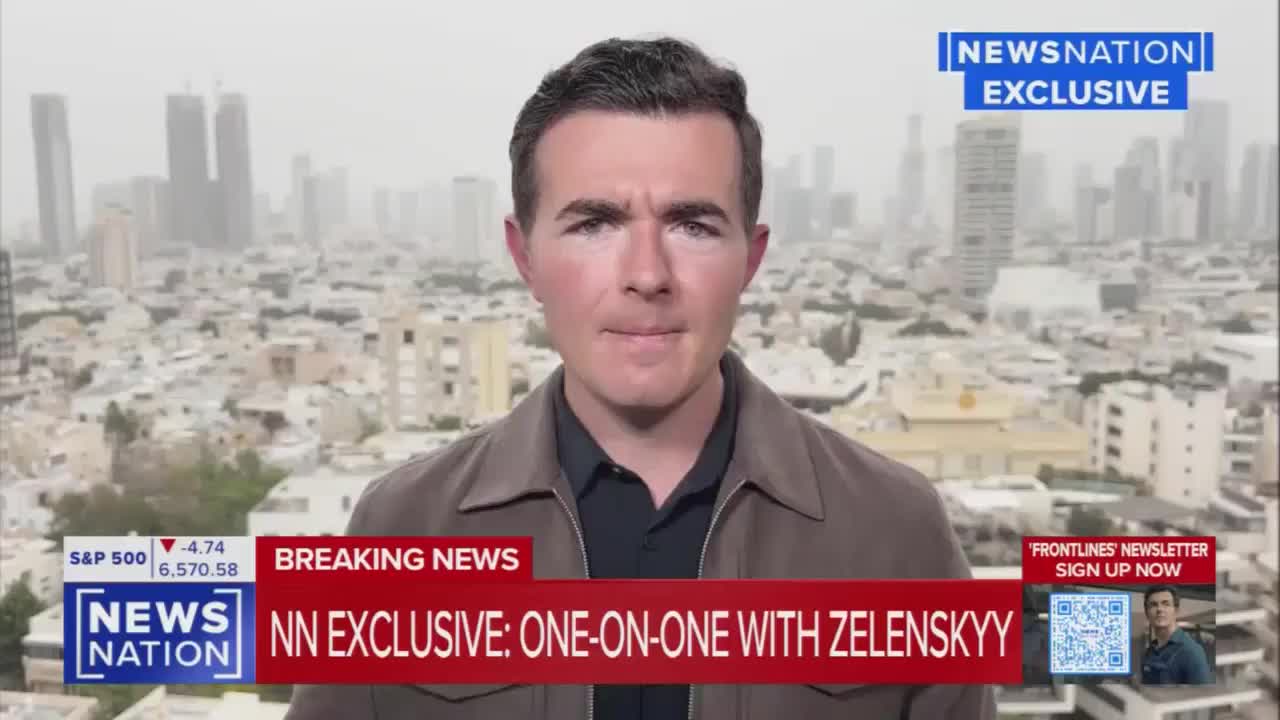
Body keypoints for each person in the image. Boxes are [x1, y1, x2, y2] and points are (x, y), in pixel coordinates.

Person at [285, 36, 993, 720]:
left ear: (751, 258)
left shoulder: (894, 532)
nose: (648, 274)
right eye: (595, 223)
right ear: (524, 257)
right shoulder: (404, 529)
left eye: (693, 226)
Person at [1137, 585, 1213, 685]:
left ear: (1176, 611)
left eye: (1166, 604)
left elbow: (1202, 693)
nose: (1159, 609)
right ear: (1147, 613)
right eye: (1153, 605)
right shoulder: (1149, 652)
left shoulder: (1191, 651)